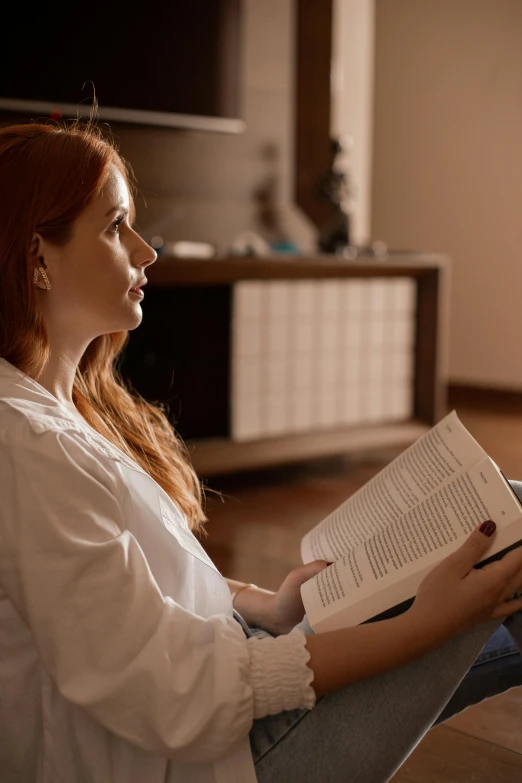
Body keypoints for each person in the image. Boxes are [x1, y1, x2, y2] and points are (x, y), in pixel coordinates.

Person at [1, 121, 522, 783]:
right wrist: (425, 623)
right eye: (114, 227)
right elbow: (177, 693)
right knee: (508, 530)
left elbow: (126, 592)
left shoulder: (55, 412)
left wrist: (265, 606)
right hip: (225, 758)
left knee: (504, 516)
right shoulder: (26, 449)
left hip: (238, 672)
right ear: (37, 259)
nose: (146, 250)